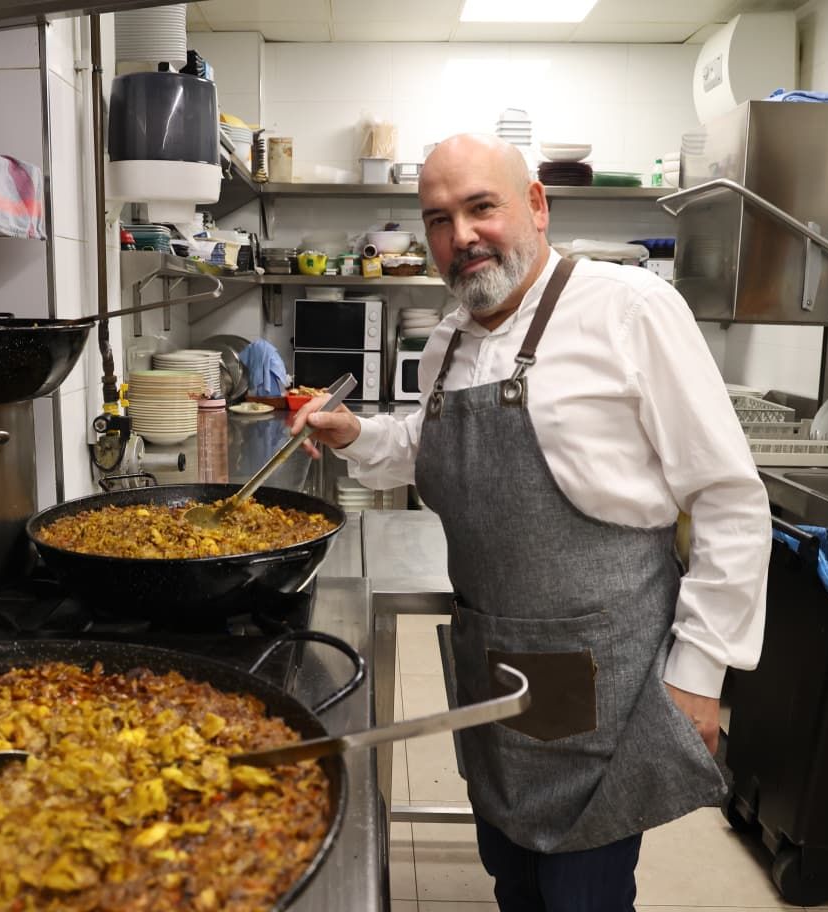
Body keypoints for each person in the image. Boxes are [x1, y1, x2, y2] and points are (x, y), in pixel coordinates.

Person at [291, 134, 771, 912]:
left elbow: (728, 498)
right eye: (439, 219)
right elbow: (432, 444)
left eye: (482, 207)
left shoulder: (630, 310)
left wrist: (701, 673)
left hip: (604, 673)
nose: (461, 237)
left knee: (582, 892)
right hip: (496, 670)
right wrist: (359, 436)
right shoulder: (446, 340)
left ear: (537, 207)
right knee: (513, 876)